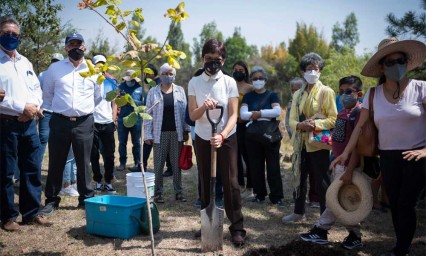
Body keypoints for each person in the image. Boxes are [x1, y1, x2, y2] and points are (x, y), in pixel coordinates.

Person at [331, 38, 426, 256]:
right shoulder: (373, 95)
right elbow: (359, 128)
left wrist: (424, 151)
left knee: (406, 203)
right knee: (394, 202)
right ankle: (401, 246)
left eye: (400, 60)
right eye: (390, 62)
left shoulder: (421, 89)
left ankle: (401, 248)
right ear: (382, 67)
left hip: (417, 157)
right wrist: (345, 154)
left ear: (407, 62)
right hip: (388, 157)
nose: (396, 66)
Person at [188, 39, 246, 246]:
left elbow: (233, 115)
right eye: (208, 59)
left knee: (231, 182)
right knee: (205, 181)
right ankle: (207, 224)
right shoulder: (194, 82)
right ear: (203, 58)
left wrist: (222, 135)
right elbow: (193, 115)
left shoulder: (229, 82)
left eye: (217, 59)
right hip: (203, 137)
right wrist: (204, 107)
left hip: (226, 137)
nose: (212, 63)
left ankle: (237, 227)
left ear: (224, 60)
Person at [40, 32, 102, 215]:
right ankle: (51, 200)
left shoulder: (93, 69)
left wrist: (82, 110)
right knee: (56, 161)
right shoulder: (55, 69)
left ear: (85, 47)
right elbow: (48, 94)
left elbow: (97, 96)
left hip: (84, 122)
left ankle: (86, 199)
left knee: (84, 161)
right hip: (59, 121)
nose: (75, 47)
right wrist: (64, 110)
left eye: (78, 44)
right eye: (71, 44)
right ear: (66, 48)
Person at [300, 75, 365, 250]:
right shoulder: (343, 112)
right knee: (338, 200)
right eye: (341, 92)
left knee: (337, 200)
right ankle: (353, 235)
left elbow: (358, 145)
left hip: (349, 165)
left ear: (359, 93)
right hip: (337, 163)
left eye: (348, 92)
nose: (344, 95)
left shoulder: (360, 113)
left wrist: (350, 169)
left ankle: (322, 230)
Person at [0, 15, 51, 230]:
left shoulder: (25, 61)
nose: (11, 37)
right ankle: (8, 217)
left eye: (15, 34)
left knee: (31, 168)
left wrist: (33, 108)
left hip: (29, 123)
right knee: (5, 172)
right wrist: (22, 107)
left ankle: (31, 212)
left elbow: (36, 89)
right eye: (6, 33)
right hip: (5, 123)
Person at [282, 52, 337, 223]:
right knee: (299, 177)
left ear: (320, 71)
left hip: (318, 142)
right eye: (309, 69)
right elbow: (291, 119)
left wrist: (315, 125)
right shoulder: (298, 94)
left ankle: (325, 216)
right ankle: (298, 212)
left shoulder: (326, 92)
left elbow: (333, 118)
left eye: (316, 69)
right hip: (300, 142)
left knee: (322, 180)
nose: (312, 72)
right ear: (302, 72)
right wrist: (299, 125)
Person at [144, 63, 190, 203]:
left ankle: (178, 192)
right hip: (159, 133)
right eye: (165, 73)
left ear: (174, 75)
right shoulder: (153, 91)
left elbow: (185, 112)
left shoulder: (180, 90)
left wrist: (186, 129)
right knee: (158, 165)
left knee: (177, 165)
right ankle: (158, 193)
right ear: (160, 75)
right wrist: (148, 135)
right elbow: (148, 113)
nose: (168, 76)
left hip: (177, 133)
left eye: (170, 74)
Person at [240, 66, 285, 206]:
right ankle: (260, 195)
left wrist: (258, 114)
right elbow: (242, 115)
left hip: (270, 135)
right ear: (251, 81)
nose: (258, 81)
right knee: (255, 166)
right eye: (254, 79)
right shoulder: (247, 96)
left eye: (260, 78)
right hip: (253, 136)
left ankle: (277, 197)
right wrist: (265, 113)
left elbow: (277, 111)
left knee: (273, 167)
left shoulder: (272, 95)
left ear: (265, 80)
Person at [90, 54, 118, 194]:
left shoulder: (111, 81)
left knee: (109, 154)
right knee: (93, 154)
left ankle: (108, 181)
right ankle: (97, 181)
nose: (100, 66)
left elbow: (114, 104)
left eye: (103, 63)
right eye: (98, 63)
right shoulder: (89, 79)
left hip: (107, 122)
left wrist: (114, 120)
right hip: (92, 122)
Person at [142, 63, 174, 177]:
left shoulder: (159, 84)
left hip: (164, 123)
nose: (147, 75)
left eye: (148, 73)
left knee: (166, 147)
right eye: (145, 73)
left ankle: (170, 168)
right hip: (154, 122)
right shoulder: (152, 87)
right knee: (149, 143)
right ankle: (143, 164)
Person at [232, 60, 255, 199]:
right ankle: (239, 184)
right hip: (230, 125)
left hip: (244, 125)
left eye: (241, 70)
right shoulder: (228, 85)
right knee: (234, 156)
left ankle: (250, 187)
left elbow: (253, 106)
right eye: (236, 69)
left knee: (247, 156)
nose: (238, 72)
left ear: (246, 72)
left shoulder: (250, 88)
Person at [117, 69, 144, 171]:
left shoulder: (140, 88)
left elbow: (143, 103)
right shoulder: (120, 87)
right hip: (122, 119)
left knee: (136, 142)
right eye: (128, 80)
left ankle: (137, 163)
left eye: (132, 80)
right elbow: (116, 102)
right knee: (122, 142)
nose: (130, 82)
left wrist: (132, 101)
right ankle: (122, 163)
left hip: (136, 119)